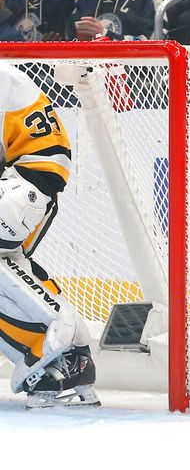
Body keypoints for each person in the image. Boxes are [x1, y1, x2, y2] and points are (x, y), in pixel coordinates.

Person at [0, 61, 100, 408]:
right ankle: (70, 360)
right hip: (23, 181)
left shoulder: (3, 78)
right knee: (10, 267)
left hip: (30, 179)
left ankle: (61, 334)